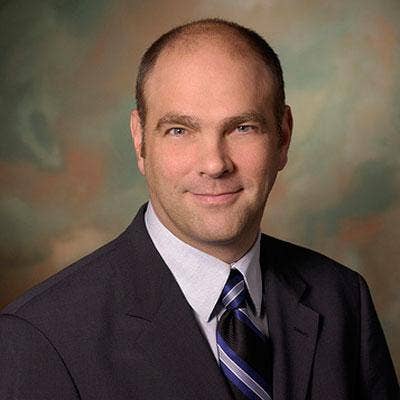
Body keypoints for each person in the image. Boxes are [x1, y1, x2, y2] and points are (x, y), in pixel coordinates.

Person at [0, 18, 398, 400]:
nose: (214, 163)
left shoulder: (342, 298)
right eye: (180, 130)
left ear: (283, 136)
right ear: (140, 140)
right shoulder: (41, 337)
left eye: (242, 127)